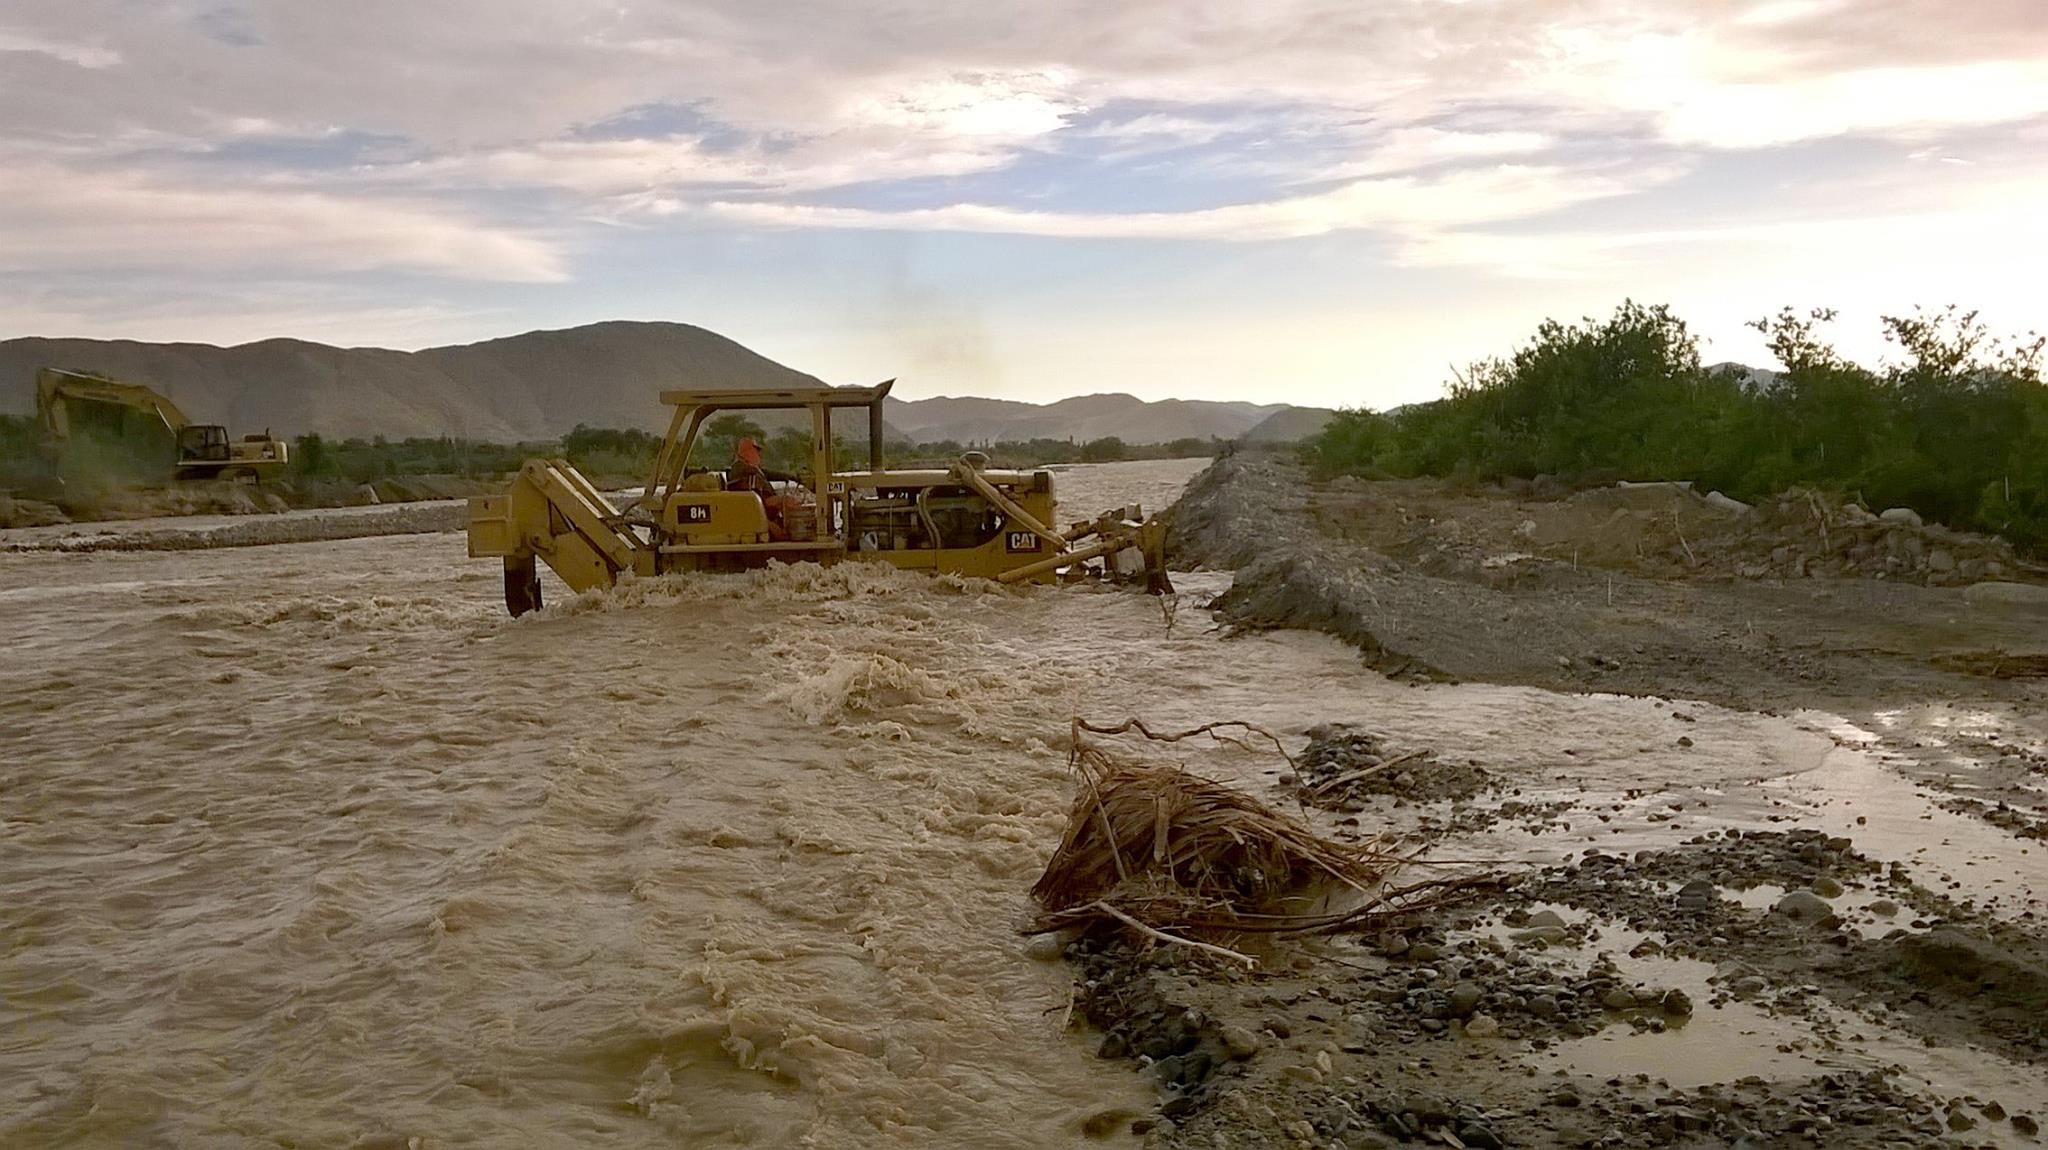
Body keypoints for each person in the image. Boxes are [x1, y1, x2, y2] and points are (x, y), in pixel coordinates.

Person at [727, 437, 793, 539]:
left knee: (788, 499)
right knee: (787, 501)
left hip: (758, 501)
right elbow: (746, 496)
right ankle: (792, 531)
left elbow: (766, 473)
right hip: (753, 505)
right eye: (755, 450)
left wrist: (789, 476)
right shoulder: (741, 468)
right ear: (746, 451)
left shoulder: (752, 468)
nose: (759, 454)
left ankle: (787, 528)